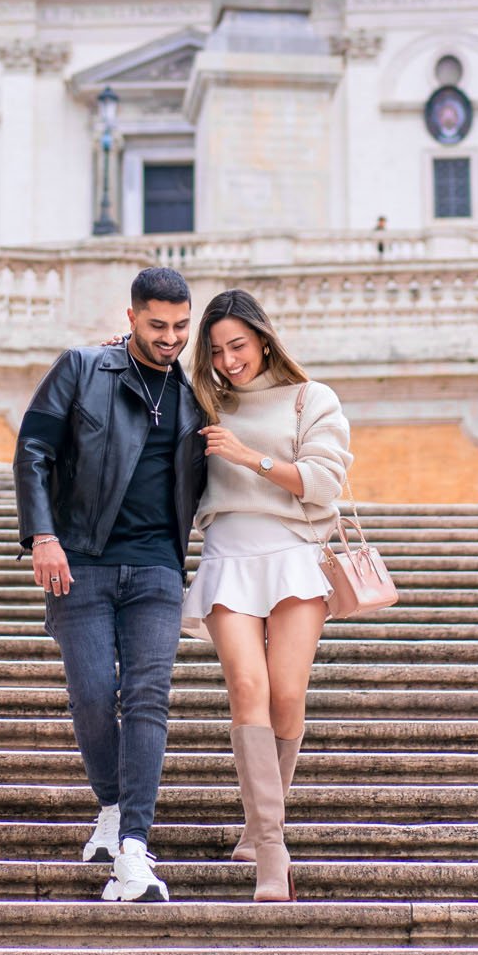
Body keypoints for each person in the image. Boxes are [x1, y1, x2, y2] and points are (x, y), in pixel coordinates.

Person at [14, 265, 205, 903]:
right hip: (83, 560)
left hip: (157, 569)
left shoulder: (196, 394)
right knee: (94, 695)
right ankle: (111, 806)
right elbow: (33, 452)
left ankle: (133, 847)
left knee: (147, 697)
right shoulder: (81, 369)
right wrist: (43, 536)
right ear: (132, 318)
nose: (171, 338)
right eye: (158, 326)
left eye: (181, 326)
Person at [181, 288, 351, 902]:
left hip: (295, 553)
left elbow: (324, 483)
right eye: (218, 350)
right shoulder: (201, 403)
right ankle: (272, 855)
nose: (230, 361)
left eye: (239, 346)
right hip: (229, 551)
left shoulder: (312, 398)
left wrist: (251, 458)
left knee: (287, 693)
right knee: (246, 689)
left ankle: (259, 827)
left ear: (263, 338)